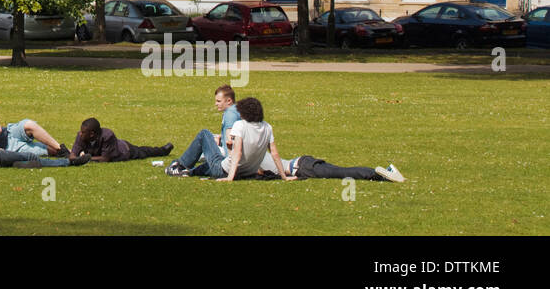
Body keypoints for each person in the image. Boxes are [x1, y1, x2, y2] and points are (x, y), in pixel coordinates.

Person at [165, 84, 240, 177]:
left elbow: (231, 142)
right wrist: (220, 137)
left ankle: (180, 166)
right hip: (238, 166)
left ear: (229, 101)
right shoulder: (237, 110)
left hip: (226, 167)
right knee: (211, 137)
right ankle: (184, 168)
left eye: (219, 101)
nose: (216, 104)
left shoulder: (230, 114)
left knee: (204, 134)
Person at [218, 97, 293, 182]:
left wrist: (230, 177)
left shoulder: (240, 125)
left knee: (204, 135)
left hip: (225, 169)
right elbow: (274, 153)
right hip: (248, 172)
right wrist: (284, 176)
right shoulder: (267, 127)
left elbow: (237, 153)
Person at [73, 118, 172, 163]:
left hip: (124, 150)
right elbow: (72, 155)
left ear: (92, 134)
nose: (80, 133)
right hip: (102, 152)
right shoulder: (81, 136)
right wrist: (75, 159)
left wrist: (86, 159)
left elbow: (105, 159)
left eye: (83, 132)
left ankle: (163, 150)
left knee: (144, 152)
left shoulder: (107, 135)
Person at [268, 155, 406, 183]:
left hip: (303, 167)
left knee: (342, 172)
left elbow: (260, 172)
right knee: (341, 171)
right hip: (303, 163)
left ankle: (379, 174)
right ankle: (383, 174)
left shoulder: (256, 161)